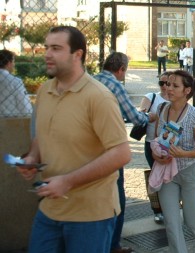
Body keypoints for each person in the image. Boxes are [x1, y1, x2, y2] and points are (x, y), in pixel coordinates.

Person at [16, 26, 131, 253]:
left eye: (56, 48)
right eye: (47, 47)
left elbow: (121, 153)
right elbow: (44, 133)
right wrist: (32, 157)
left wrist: (68, 181)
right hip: (50, 209)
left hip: (91, 216)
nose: (47, 53)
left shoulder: (98, 97)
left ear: (77, 54)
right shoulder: (45, 90)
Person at [94, 51, 149, 253]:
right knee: (117, 197)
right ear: (121, 69)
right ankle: (113, 244)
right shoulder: (115, 85)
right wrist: (148, 118)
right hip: (110, 148)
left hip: (90, 148)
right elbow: (133, 117)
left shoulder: (92, 80)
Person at [153, 70, 195, 253]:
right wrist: (157, 156)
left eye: (174, 85)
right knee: (171, 220)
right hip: (166, 172)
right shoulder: (162, 109)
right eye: (167, 84)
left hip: (189, 171)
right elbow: (156, 140)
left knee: (193, 219)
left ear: (186, 91)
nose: (168, 88)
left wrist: (183, 154)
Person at [139, 71, 170, 224]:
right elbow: (141, 114)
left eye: (168, 83)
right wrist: (149, 115)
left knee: (168, 178)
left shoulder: (176, 100)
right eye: (161, 83)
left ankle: (169, 208)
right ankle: (157, 210)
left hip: (169, 146)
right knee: (154, 177)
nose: (164, 86)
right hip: (151, 143)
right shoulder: (151, 97)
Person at [0, 49, 32, 117]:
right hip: (11, 122)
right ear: (9, 63)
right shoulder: (15, 81)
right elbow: (24, 105)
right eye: (14, 61)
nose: (14, 65)